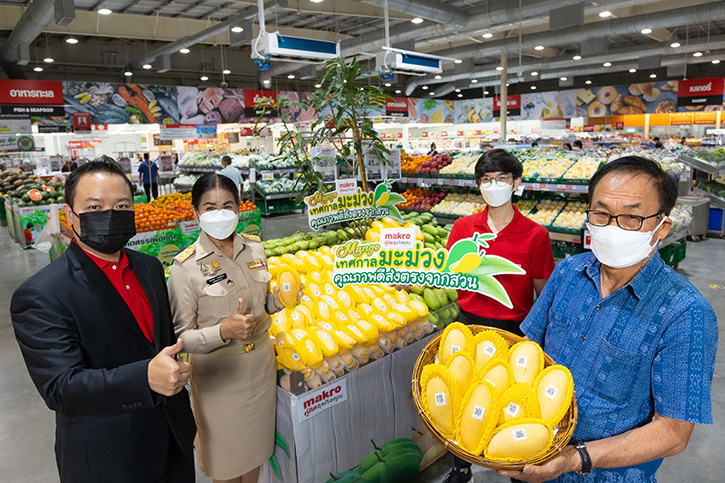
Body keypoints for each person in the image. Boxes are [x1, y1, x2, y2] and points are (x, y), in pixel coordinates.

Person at [500, 156, 717, 483]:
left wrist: (575, 457)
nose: (613, 228)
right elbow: (531, 346)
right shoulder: (568, 273)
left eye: (632, 217)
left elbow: (673, 432)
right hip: (530, 452)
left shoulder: (684, 311)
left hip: (607, 475)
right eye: (601, 214)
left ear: (663, 227)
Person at [10, 159, 196, 483]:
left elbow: (160, 342)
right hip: (108, 458)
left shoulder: (149, 267)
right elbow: (61, 387)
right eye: (95, 206)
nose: (110, 214)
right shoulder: (42, 294)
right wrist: (144, 377)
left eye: (121, 205)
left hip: (172, 441)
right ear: (70, 217)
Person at [167, 173, 296, 483]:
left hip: (260, 371)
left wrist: (280, 299)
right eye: (210, 207)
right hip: (219, 383)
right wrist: (222, 331)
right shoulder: (184, 268)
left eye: (227, 205)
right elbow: (181, 338)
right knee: (224, 467)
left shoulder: (255, 248)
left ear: (239, 209)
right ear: (196, 213)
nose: (220, 213)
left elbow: (261, 305)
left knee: (255, 459)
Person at [443, 149, 555, 483]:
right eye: (486, 180)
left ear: (516, 183)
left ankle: (515, 469)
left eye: (502, 179)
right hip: (469, 326)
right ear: (478, 186)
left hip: (513, 331)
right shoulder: (463, 228)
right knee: (460, 398)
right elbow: (449, 277)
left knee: (511, 403)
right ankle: (461, 467)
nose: (494, 186)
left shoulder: (536, 235)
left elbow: (543, 293)